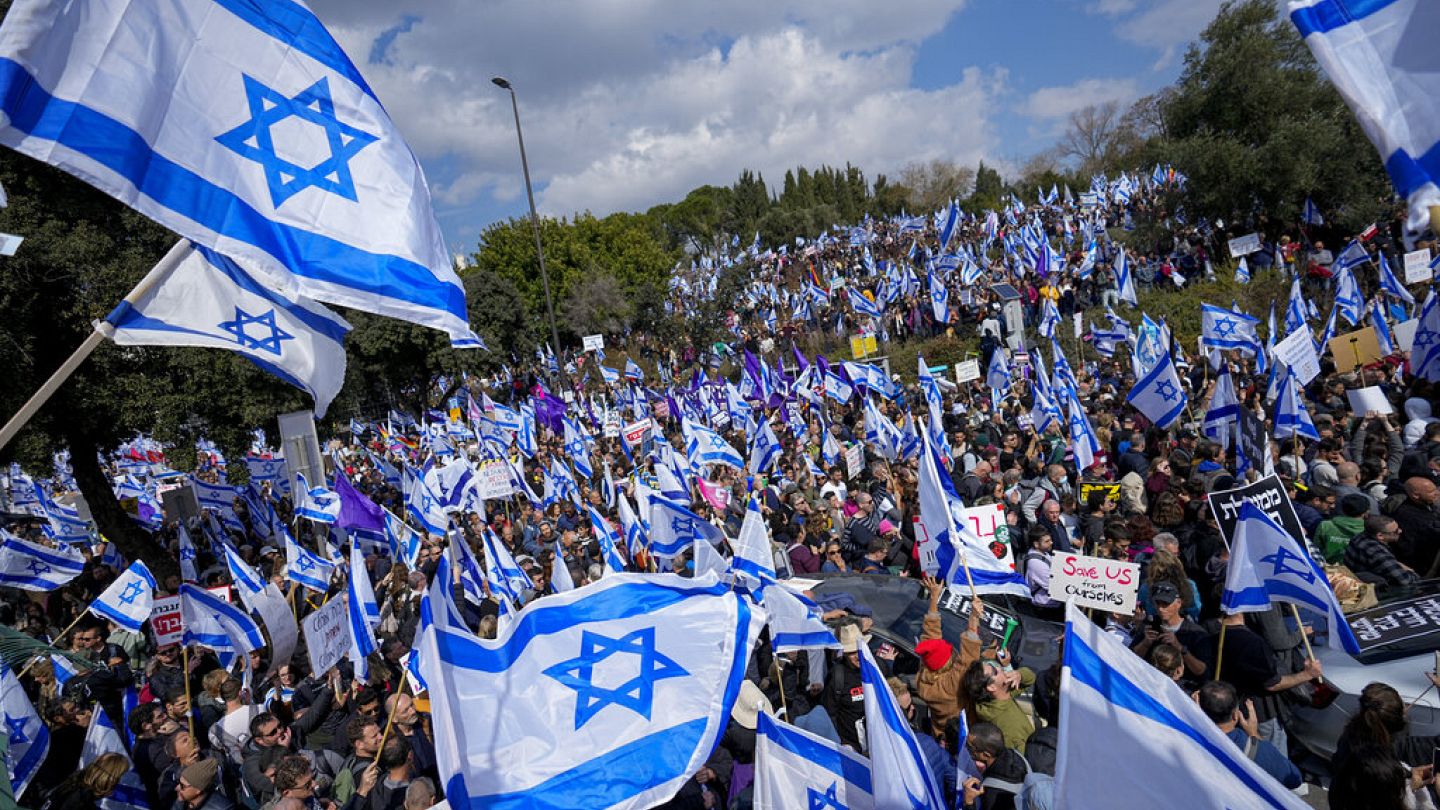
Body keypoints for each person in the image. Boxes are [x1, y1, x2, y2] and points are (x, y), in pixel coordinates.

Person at [1196, 681, 1301, 789]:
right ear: (1235, 715)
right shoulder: (1253, 749)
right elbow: (1295, 779)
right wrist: (1254, 735)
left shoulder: (1189, 740)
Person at [914, 575, 984, 735]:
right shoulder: (949, 686)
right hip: (961, 736)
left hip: (939, 732)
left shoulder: (925, 671)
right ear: (948, 662)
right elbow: (968, 660)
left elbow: (930, 632)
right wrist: (974, 617)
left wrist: (934, 598)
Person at [962, 660, 1034, 754]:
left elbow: (1031, 678)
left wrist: (1019, 674)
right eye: (995, 671)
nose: (999, 668)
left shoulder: (995, 699)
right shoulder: (1010, 727)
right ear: (991, 687)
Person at [1345, 514, 1421, 587]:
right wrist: (1411, 571)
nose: (1400, 531)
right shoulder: (1377, 553)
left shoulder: (1359, 537)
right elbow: (1405, 580)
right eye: (1396, 531)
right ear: (1380, 536)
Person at [44, 751, 129, 810]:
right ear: (108, 779)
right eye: (118, 777)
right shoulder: (81, 801)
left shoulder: (74, 783)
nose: (119, 781)